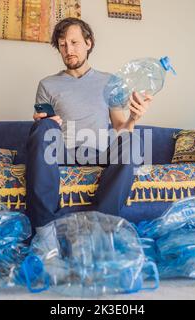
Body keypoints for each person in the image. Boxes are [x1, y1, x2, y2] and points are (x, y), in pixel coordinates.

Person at [26, 18, 153, 228]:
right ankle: (43, 228)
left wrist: (133, 118)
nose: (68, 49)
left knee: (133, 138)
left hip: (101, 151)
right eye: (63, 44)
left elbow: (121, 128)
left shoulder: (109, 82)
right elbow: (45, 130)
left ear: (88, 43)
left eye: (74, 42)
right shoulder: (47, 85)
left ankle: (101, 224)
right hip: (61, 154)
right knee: (42, 127)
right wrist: (44, 124)